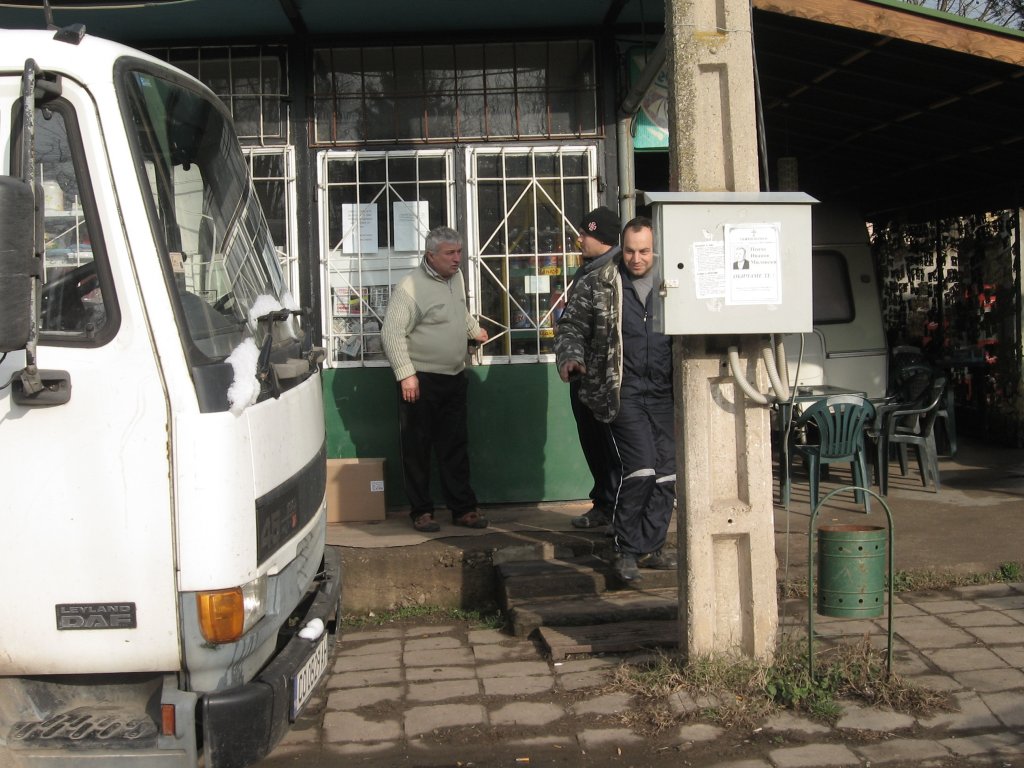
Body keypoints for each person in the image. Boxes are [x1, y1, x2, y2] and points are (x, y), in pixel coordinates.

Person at [554, 216, 676, 582]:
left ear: (656, 249)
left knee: (667, 474)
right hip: (622, 389)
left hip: (664, 392)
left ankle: (651, 546)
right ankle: (626, 550)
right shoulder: (600, 281)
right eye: (630, 251)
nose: (637, 259)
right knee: (640, 468)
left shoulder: (674, 282)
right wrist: (571, 356)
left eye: (644, 251)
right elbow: (571, 326)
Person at [382, 226, 489, 533]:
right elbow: (391, 333)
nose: (457, 259)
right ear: (431, 256)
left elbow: (459, 311)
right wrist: (406, 375)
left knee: (455, 447)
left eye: (459, 252)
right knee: (417, 449)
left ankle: (463, 510)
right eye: (450, 253)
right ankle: (421, 512)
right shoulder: (410, 287)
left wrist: (473, 331)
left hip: (454, 377)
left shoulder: (456, 277)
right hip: (421, 380)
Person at [563, 206, 623, 530]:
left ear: (602, 237)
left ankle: (621, 512)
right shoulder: (587, 273)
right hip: (585, 378)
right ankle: (604, 504)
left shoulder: (618, 274)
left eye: (585, 233)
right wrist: (571, 357)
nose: (580, 239)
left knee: (616, 449)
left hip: (613, 382)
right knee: (593, 443)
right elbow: (572, 323)